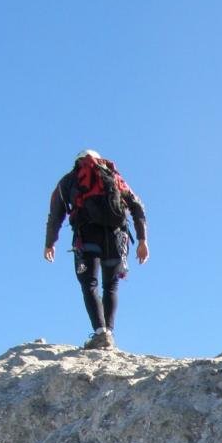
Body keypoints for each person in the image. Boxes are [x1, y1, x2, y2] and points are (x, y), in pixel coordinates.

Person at [44, 150, 149, 350]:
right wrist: (143, 240)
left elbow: (56, 213)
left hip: (87, 237)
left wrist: (50, 243)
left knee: (89, 284)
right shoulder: (113, 177)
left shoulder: (69, 180)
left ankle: (100, 332)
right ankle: (109, 334)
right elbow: (137, 207)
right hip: (117, 238)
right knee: (111, 286)